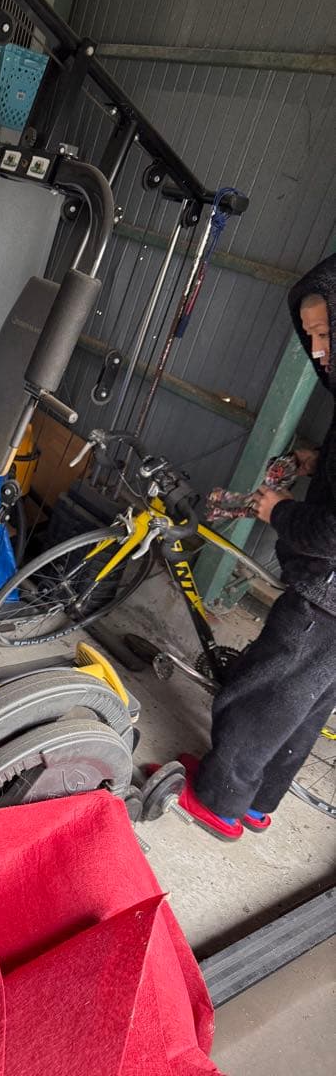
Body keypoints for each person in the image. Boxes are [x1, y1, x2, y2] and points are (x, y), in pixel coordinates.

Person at [176, 253, 336, 839]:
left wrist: (277, 510)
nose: (318, 349)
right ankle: (256, 801)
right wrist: (318, 460)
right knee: (306, 704)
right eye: (310, 335)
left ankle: (219, 801)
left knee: (262, 694)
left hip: (325, 594)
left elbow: (333, 533)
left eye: (327, 333)